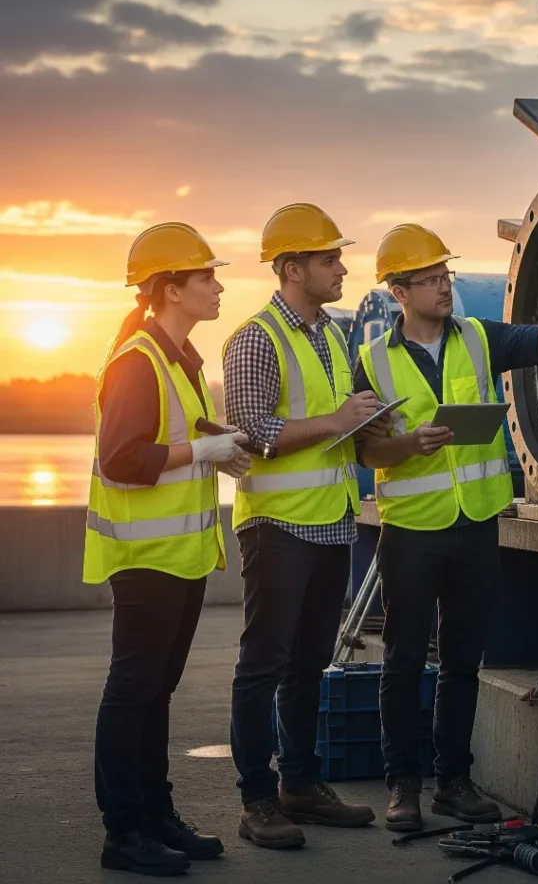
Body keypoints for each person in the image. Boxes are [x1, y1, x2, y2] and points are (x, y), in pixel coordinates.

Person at [353, 223, 538, 832]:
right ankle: (404, 788)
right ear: (400, 292)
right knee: (404, 661)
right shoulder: (372, 361)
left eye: (447, 276)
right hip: (411, 531)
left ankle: (454, 783)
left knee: (464, 660)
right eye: (433, 279)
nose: (445, 286)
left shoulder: (478, 338)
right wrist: (409, 444)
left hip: (475, 527)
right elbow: (366, 454)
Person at [224, 203, 390, 850]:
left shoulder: (331, 336)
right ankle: (257, 799)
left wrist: (371, 424)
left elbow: (336, 421)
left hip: (329, 526)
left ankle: (300, 784)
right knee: (262, 665)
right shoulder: (255, 339)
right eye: (328, 259)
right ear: (293, 269)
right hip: (276, 526)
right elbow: (254, 433)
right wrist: (338, 420)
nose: (341, 267)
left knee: (310, 665)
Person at [85, 222, 250, 876]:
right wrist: (200, 450)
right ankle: (122, 831)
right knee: (133, 691)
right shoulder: (137, 360)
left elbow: (176, 440)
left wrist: (220, 447)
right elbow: (123, 457)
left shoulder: (178, 358)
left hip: (179, 558)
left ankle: (155, 814)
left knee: (155, 691)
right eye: (206, 277)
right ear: (172, 288)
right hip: (146, 560)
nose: (218, 287)